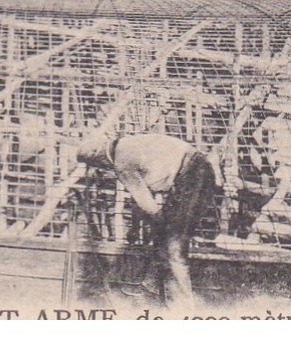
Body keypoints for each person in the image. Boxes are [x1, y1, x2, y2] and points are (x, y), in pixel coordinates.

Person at [76, 131, 218, 306]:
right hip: (193, 173)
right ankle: (155, 290)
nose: (102, 169)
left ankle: (182, 308)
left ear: (98, 157)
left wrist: (148, 225)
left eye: (95, 164)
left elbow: (149, 206)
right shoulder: (127, 144)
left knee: (173, 246)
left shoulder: (122, 163)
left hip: (194, 176)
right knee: (163, 241)